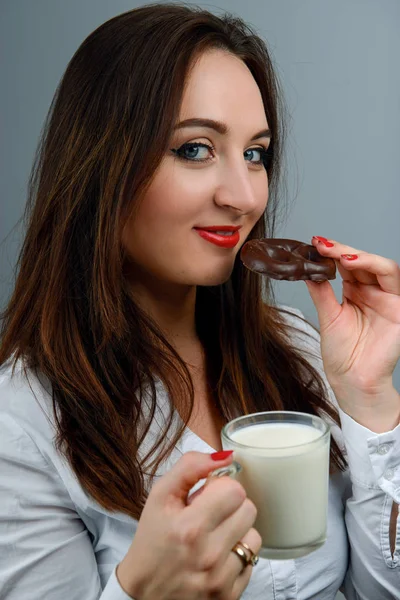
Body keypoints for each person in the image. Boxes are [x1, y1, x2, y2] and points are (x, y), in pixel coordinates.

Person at [0, 3, 399, 599]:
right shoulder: (22, 425)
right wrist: (141, 592)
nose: (243, 197)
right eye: (194, 149)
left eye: (255, 154)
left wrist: (369, 402)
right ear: (102, 166)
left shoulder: (300, 348)